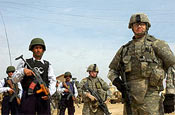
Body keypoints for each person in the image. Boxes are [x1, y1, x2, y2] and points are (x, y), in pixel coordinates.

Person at [107, 13, 175, 114]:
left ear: (147, 26)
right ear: (132, 27)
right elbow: (112, 71)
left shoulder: (157, 44)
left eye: (142, 24)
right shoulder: (124, 49)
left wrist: (170, 93)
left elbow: (172, 66)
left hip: (151, 98)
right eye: (136, 24)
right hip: (130, 98)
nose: (139, 26)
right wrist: (117, 82)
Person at [12, 38, 56, 115]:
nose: (38, 50)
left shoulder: (47, 65)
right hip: (28, 96)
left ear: (43, 50)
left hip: (43, 96)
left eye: (40, 48)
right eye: (36, 48)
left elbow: (52, 80)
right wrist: (23, 71)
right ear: (32, 49)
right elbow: (14, 79)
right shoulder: (24, 62)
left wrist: (50, 92)